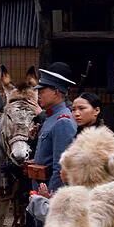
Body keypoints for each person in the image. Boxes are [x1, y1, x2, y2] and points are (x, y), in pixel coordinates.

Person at [31, 62, 78, 194]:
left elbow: (61, 167)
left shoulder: (63, 121)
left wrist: (51, 196)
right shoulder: (50, 117)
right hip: (40, 191)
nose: (38, 95)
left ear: (56, 92)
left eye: (42, 91)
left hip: (50, 194)